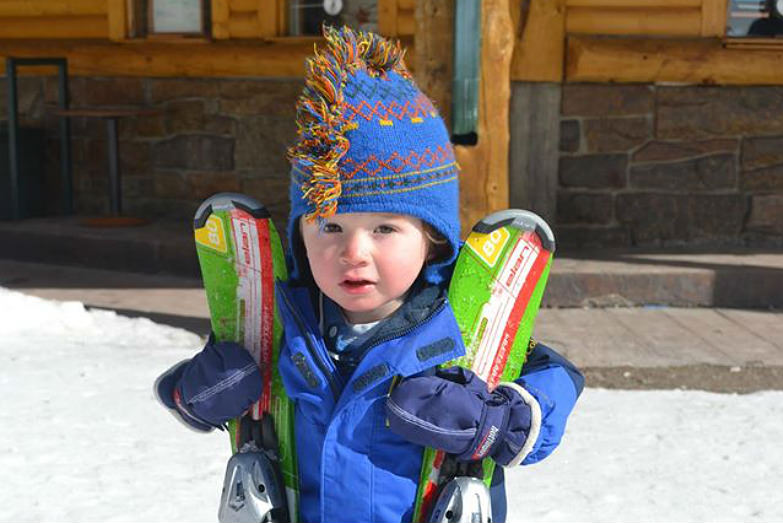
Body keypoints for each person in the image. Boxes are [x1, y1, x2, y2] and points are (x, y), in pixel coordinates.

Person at [155, 25, 583, 523]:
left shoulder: (466, 327)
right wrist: (197, 393)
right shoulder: (279, 324)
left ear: (432, 239)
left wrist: (496, 421)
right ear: (300, 237)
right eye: (330, 226)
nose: (353, 251)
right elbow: (184, 393)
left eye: (384, 227)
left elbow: (559, 382)